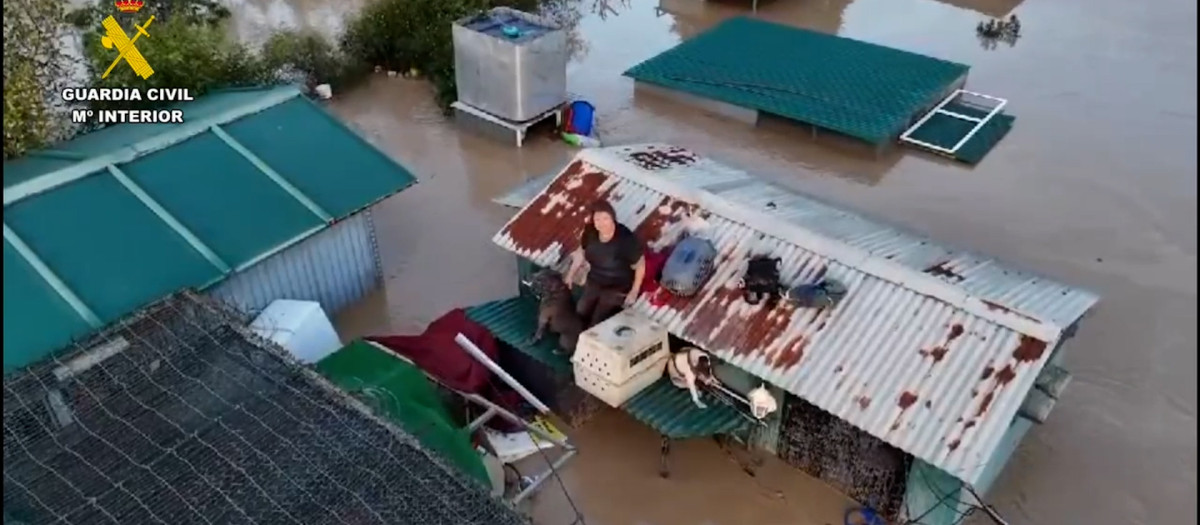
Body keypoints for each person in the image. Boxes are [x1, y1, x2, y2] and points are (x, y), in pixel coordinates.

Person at [564, 200, 646, 328]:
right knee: (581, 310)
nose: (602, 223)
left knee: (597, 319)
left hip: (617, 285)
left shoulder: (626, 239)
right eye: (597, 219)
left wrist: (634, 291)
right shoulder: (590, 232)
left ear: (613, 218)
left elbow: (640, 265)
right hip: (596, 279)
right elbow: (581, 252)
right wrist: (570, 275)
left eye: (605, 218)